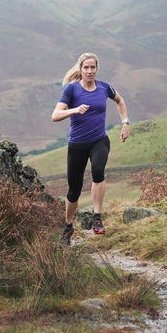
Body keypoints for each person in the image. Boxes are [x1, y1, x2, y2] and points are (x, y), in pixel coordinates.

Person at [52, 52, 130, 246]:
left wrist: (125, 123)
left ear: (96, 68)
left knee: (98, 171)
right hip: (77, 144)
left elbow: (120, 101)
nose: (89, 71)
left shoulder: (104, 88)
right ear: (80, 69)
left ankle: (97, 217)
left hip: (99, 140)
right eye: (85, 68)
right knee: (74, 191)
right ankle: (68, 226)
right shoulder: (71, 90)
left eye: (92, 67)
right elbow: (55, 115)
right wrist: (74, 110)